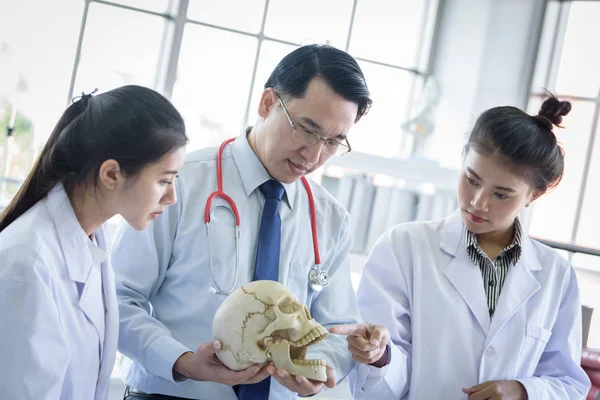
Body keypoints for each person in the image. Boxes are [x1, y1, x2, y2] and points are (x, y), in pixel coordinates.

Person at [112, 44, 372, 400]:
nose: (313, 156)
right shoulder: (180, 182)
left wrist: (320, 367)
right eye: (307, 130)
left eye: (332, 142)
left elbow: (336, 329)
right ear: (267, 103)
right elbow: (118, 297)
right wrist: (183, 361)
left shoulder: (330, 219)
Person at [330, 95, 591, 399]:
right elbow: (377, 380)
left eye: (502, 195)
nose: (478, 202)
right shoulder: (403, 247)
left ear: (534, 195)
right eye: (472, 179)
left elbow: (569, 383)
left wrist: (524, 391)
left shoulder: (556, 275)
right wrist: (380, 357)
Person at [0, 85, 188, 400]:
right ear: (111, 174)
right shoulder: (26, 264)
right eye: (164, 181)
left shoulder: (92, 242)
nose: (171, 197)